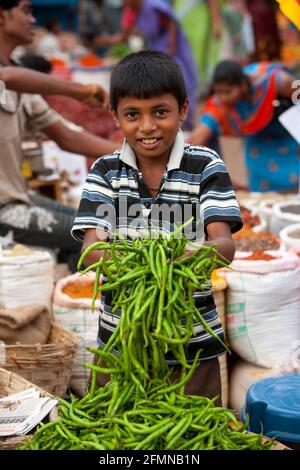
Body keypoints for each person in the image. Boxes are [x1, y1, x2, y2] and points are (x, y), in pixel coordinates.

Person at [72, 51, 242, 399]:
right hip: (121, 341)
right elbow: (92, 249)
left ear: (182, 109)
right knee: (115, 433)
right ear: (116, 117)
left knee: (195, 435)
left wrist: (181, 258)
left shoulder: (205, 166)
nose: (147, 126)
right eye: (132, 114)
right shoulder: (105, 171)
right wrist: (142, 265)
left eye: (160, 112)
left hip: (192, 348)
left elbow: (224, 246)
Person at [0, 0, 118, 271]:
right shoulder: (11, 77)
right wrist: (77, 90)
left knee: (92, 229)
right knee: (91, 238)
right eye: (27, 11)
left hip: (17, 197)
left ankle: (80, 299)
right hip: (4, 208)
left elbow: (67, 136)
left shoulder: (21, 78)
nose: (33, 20)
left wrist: (131, 155)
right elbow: (5, 77)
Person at [189, 60, 299, 192]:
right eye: (218, 92)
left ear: (243, 86)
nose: (223, 98)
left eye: (228, 92)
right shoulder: (220, 105)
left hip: (289, 140)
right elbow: (198, 136)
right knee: (261, 202)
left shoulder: (277, 82)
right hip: (259, 150)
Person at [95, 0, 199, 129]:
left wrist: (171, 43)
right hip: (156, 46)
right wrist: (108, 41)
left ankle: (185, 122)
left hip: (172, 46)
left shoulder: (153, 5)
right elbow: (124, 36)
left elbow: (172, 22)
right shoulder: (129, 12)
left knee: (182, 80)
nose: (123, 3)